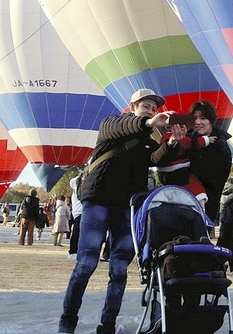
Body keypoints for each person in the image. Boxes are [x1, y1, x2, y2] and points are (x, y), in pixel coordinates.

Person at [59, 88, 172, 334]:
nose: (151, 111)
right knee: (86, 264)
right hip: (98, 200)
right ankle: (68, 320)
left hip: (127, 207)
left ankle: (107, 324)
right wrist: (149, 122)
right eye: (146, 107)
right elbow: (123, 127)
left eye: (154, 108)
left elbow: (156, 158)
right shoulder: (110, 125)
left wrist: (172, 142)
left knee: (119, 269)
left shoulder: (146, 142)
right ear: (132, 108)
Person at [186, 100, 232, 227]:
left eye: (203, 118)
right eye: (194, 118)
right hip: (181, 206)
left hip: (205, 208)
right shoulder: (187, 139)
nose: (198, 122)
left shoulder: (219, 146)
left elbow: (211, 178)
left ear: (212, 121)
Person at [150, 118, 215, 207]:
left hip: (167, 175)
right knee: (197, 189)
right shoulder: (175, 138)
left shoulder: (165, 137)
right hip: (178, 171)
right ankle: (200, 210)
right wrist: (207, 140)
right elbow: (190, 143)